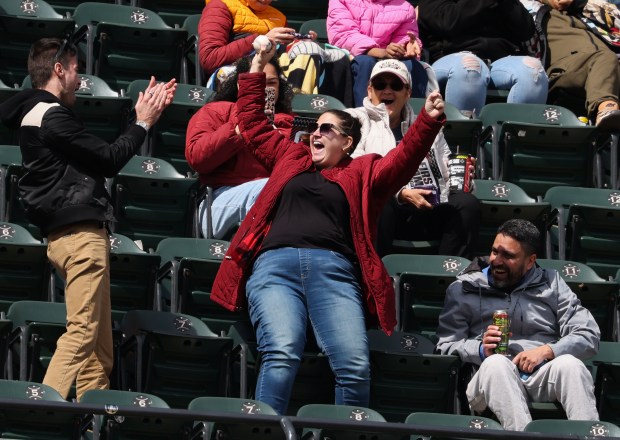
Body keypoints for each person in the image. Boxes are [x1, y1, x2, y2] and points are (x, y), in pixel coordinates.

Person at [210, 40, 446, 415]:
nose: (315, 134)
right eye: (315, 129)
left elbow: (402, 161)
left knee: (353, 366)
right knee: (281, 352)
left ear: (348, 142)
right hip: (274, 268)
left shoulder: (363, 169)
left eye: (327, 130)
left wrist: (428, 122)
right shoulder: (291, 155)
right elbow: (253, 123)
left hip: (334, 273)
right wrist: (257, 65)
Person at [0, 37, 176, 401]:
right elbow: (108, 158)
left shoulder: (38, 114)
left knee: (99, 349)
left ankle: (92, 418)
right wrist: (142, 123)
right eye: (76, 69)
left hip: (73, 236)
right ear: (58, 70)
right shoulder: (49, 114)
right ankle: (38, 414)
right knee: (83, 333)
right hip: (80, 237)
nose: (80, 78)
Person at [436, 219, 600, 431]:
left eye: (509, 256)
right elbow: (444, 345)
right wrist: (479, 349)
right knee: (497, 364)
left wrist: (548, 350)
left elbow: (589, 335)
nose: (497, 261)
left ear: (530, 261)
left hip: (539, 374)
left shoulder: (552, 283)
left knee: (571, 365)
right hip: (485, 380)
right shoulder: (464, 287)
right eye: (495, 252)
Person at [346, 59, 480, 258]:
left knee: (466, 203)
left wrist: (463, 179)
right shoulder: (355, 120)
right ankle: (374, 278)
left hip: (427, 208)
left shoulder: (426, 125)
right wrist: (400, 194)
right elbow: (354, 170)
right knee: (379, 202)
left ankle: (449, 277)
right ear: (369, 90)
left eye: (396, 85)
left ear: (408, 93)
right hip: (382, 211)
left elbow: (446, 173)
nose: (387, 91)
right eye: (380, 85)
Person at [186, 55, 294, 239]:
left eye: (272, 83)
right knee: (271, 187)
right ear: (241, 85)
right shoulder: (215, 112)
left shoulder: (289, 123)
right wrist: (240, 127)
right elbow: (197, 158)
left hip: (274, 197)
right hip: (220, 199)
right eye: (259, 82)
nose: (266, 89)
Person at [199, 0, 352, 103]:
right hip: (240, 66)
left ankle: (304, 106)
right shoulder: (220, 6)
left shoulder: (277, 16)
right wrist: (260, 40)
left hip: (275, 66)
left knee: (323, 53)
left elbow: (285, 50)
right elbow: (210, 59)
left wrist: (301, 41)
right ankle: (294, 106)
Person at [417, 0, 549, 117]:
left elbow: (526, 31)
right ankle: (460, 141)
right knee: (470, 70)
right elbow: (447, 22)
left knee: (533, 71)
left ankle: (515, 142)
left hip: (499, 61)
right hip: (451, 57)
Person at [519, 0, 620, 127]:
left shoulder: (585, 9)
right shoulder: (526, 9)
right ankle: (606, 108)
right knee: (604, 57)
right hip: (559, 72)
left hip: (604, 65)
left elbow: (616, 19)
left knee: (606, 59)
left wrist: (578, 3)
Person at [327, 0, 429, 107]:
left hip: (389, 59)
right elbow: (344, 35)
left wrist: (407, 47)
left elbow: (405, 37)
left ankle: (412, 119)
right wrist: (381, 52)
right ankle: (361, 117)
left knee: (412, 65)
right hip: (352, 57)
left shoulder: (406, 7)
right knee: (365, 63)